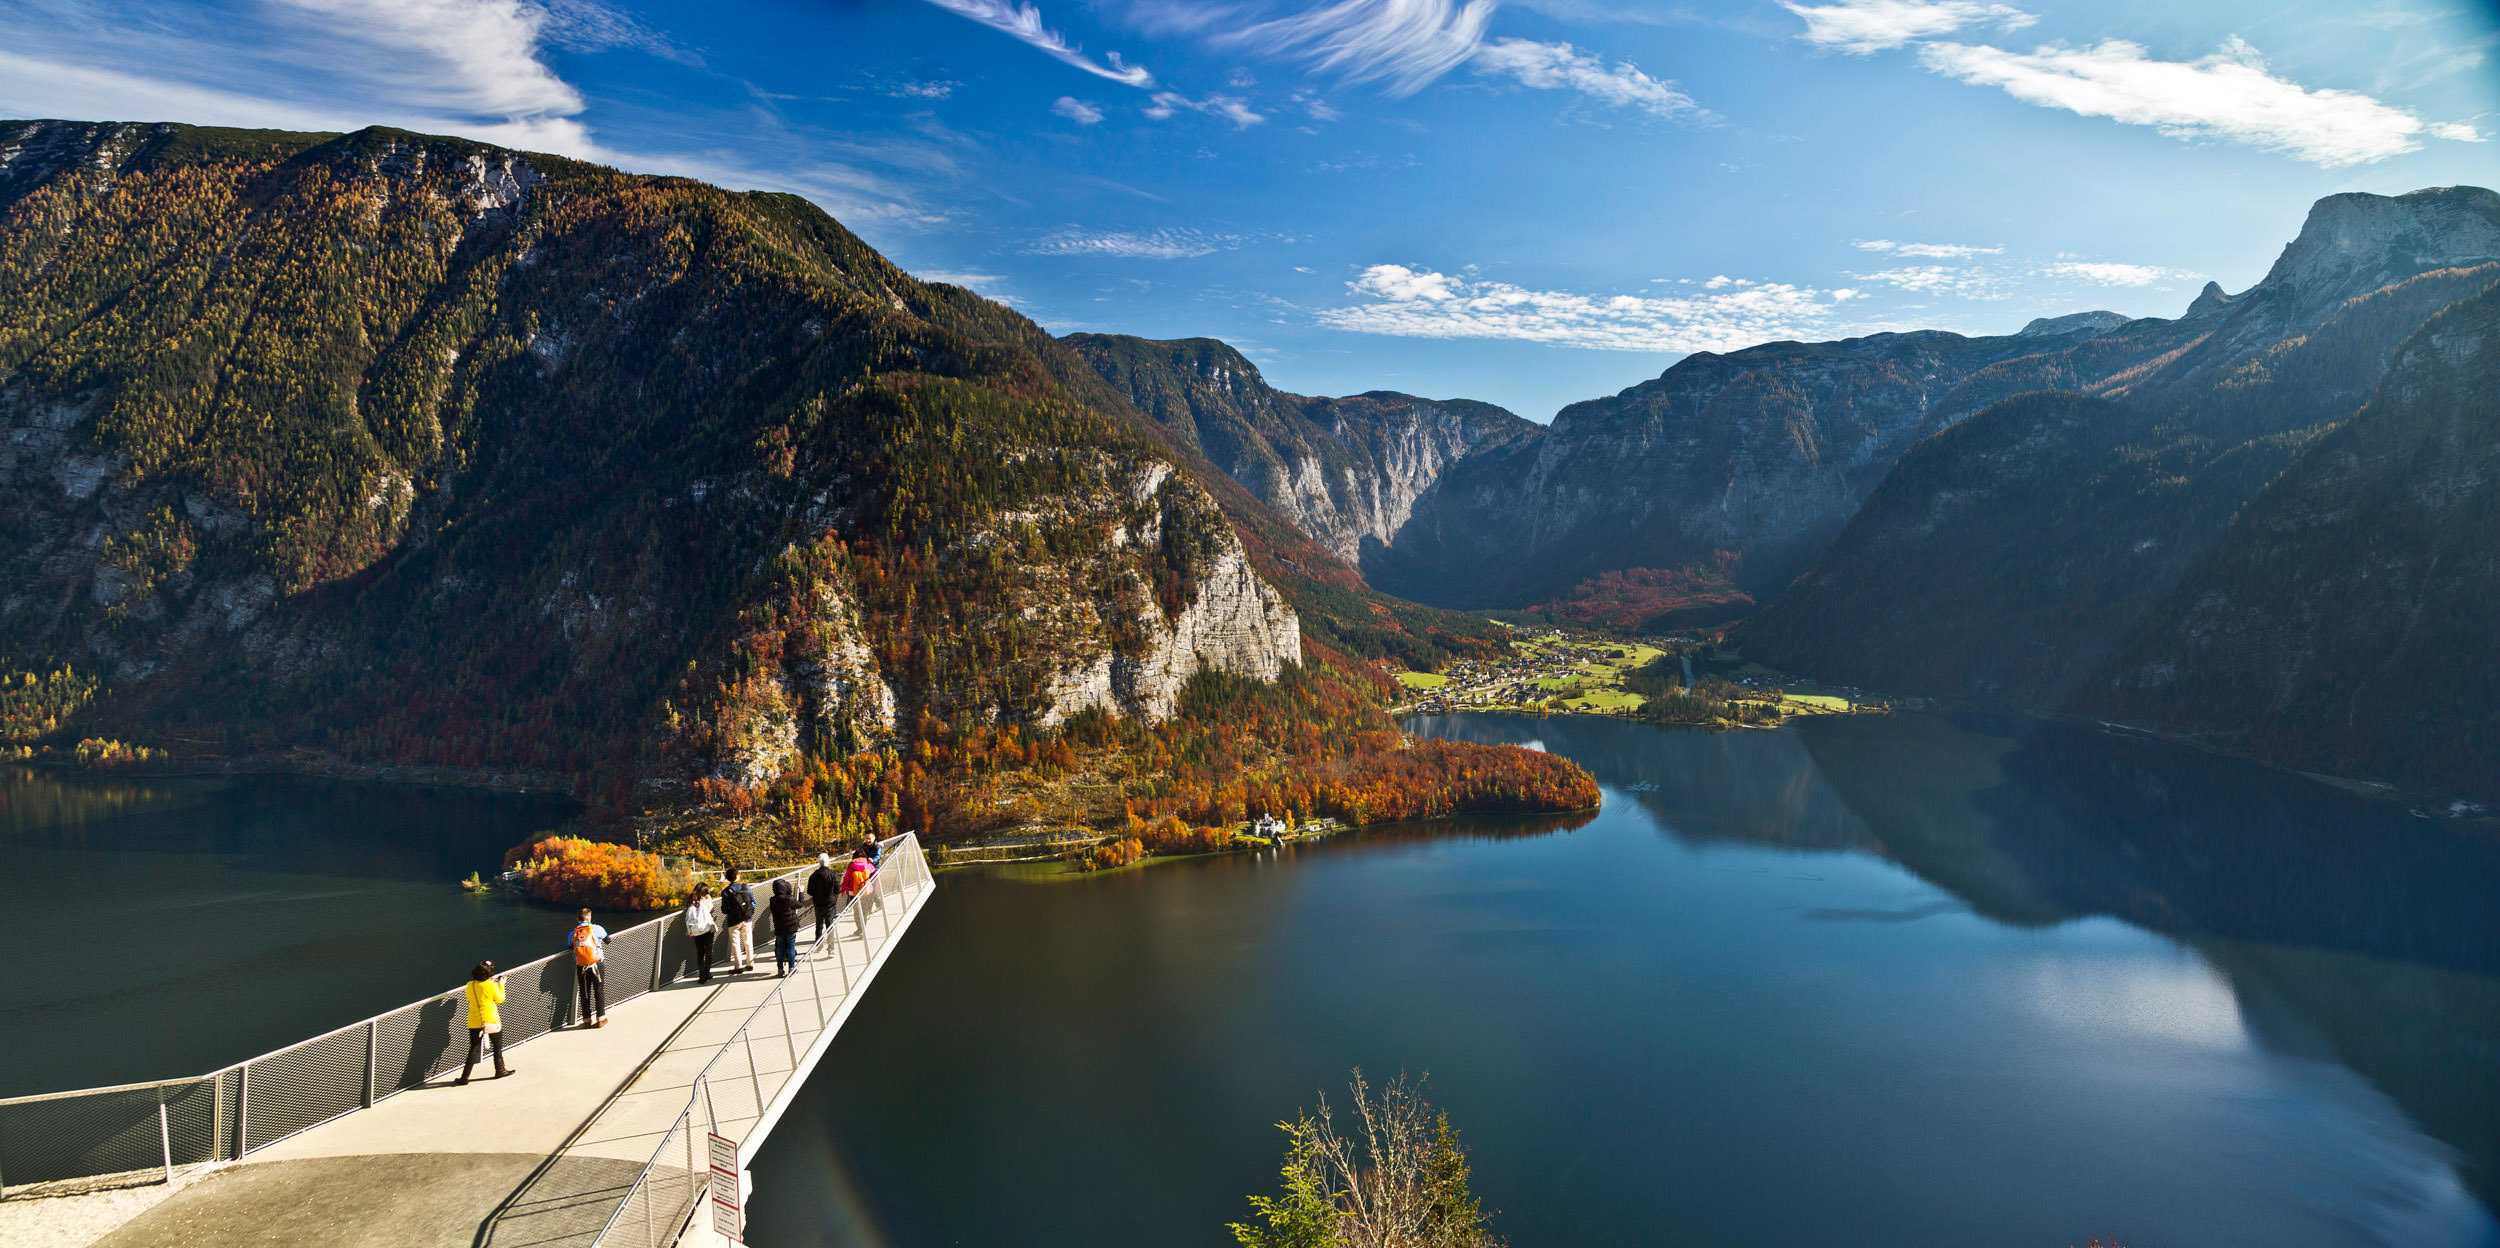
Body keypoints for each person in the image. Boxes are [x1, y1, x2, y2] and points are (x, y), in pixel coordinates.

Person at [457, 961, 515, 1084]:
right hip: (491, 1020)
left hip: (474, 1021)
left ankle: (464, 1077)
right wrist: (501, 985)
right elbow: (500, 999)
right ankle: (500, 1070)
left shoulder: (470, 985)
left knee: (474, 1048)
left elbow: (470, 997)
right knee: (497, 1045)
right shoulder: (491, 985)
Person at [570, 908, 610, 1028]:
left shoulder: (573, 933)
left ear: (578, 919)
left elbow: (569, 946)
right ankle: (601, 1019)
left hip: (581, 966)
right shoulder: (596, 928)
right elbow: (608, 940)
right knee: (599, 990)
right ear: (589, 917)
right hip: (596, 963)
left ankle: (587, 1021)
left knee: (584, 992)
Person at [720, 867, 757, 973]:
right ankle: (750, 964)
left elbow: (724, 909)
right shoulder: (746, 887)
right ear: (737, 876)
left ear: (727, 878)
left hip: (733, 921)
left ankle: (738, 967)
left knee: (736, 943)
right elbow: (753, 902)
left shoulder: (726, 892)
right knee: (748, 941)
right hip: (747, 918)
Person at [841, 844, 879, 938]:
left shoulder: (851, 866)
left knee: (857, 911)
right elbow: (874, 870)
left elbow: (846, 879)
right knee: (864, 911)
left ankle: (859, 929)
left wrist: (842, 890)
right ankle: (863, 930)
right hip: (866, 891)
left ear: (854, 857)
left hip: (854, 892)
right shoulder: (867, 864)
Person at [683, 883, 718, 983]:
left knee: (700, 953)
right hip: (708, 927)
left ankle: (701, 976)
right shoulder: (706, 899)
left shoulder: (690, 900)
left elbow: (687, 914)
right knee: (709, 951)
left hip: (696, 930)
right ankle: (707, 973)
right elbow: (711, 909)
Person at [768, 878, 800, 977]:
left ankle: (780, 969)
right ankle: (791, 968)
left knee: (780, 949)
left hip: (779, 928)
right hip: (791, 927)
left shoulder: (772, 900)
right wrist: (801, 893)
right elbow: (800, 904)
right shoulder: (789, 899)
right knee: (791, 947)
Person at [806, 853, 838, 941]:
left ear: (819, 862)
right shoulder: (832, 874)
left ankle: (818, 945)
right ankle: (831, 948)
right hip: (830, 903)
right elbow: (837, 889)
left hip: (818, 904)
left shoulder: (813, 875)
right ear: (828, 862)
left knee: (819, 925)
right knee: (830, 925)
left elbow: (809, 891)